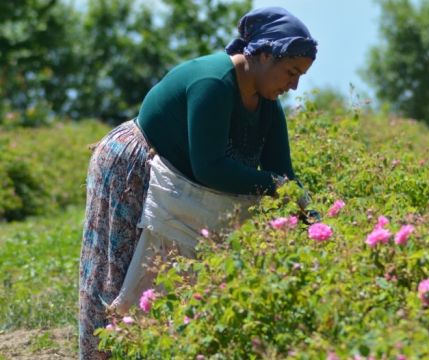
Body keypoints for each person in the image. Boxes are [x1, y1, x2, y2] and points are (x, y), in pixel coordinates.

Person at [78, 7, 317, 359]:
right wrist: (276, 185)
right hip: (133, 165)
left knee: (160, 285)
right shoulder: (216, 83)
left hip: (174, 178)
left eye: (301, 76)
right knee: (117, 272)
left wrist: (313, 221)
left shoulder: (267, 106)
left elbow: (284, 174)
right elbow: (210, 167)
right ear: (265, 55)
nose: (294, 85)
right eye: (291, 72)